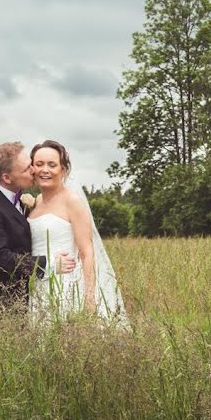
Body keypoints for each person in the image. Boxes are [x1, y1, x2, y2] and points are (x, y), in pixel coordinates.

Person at [27, 140, 129, 327]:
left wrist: (89, 299)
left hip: (66, 285)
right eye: (39, 164)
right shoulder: (36, 201)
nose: (45, 170)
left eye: (52, 164)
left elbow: (86, 251)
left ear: (63, 170)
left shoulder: (72, 202)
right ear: (32, 168)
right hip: (40, 283)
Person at [0, 142, 76, 315]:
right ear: (7, 178)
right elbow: (0, 258)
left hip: (24, 302)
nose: (34, 170)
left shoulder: (20, 200)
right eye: (27, 169)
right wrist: (49, 263)